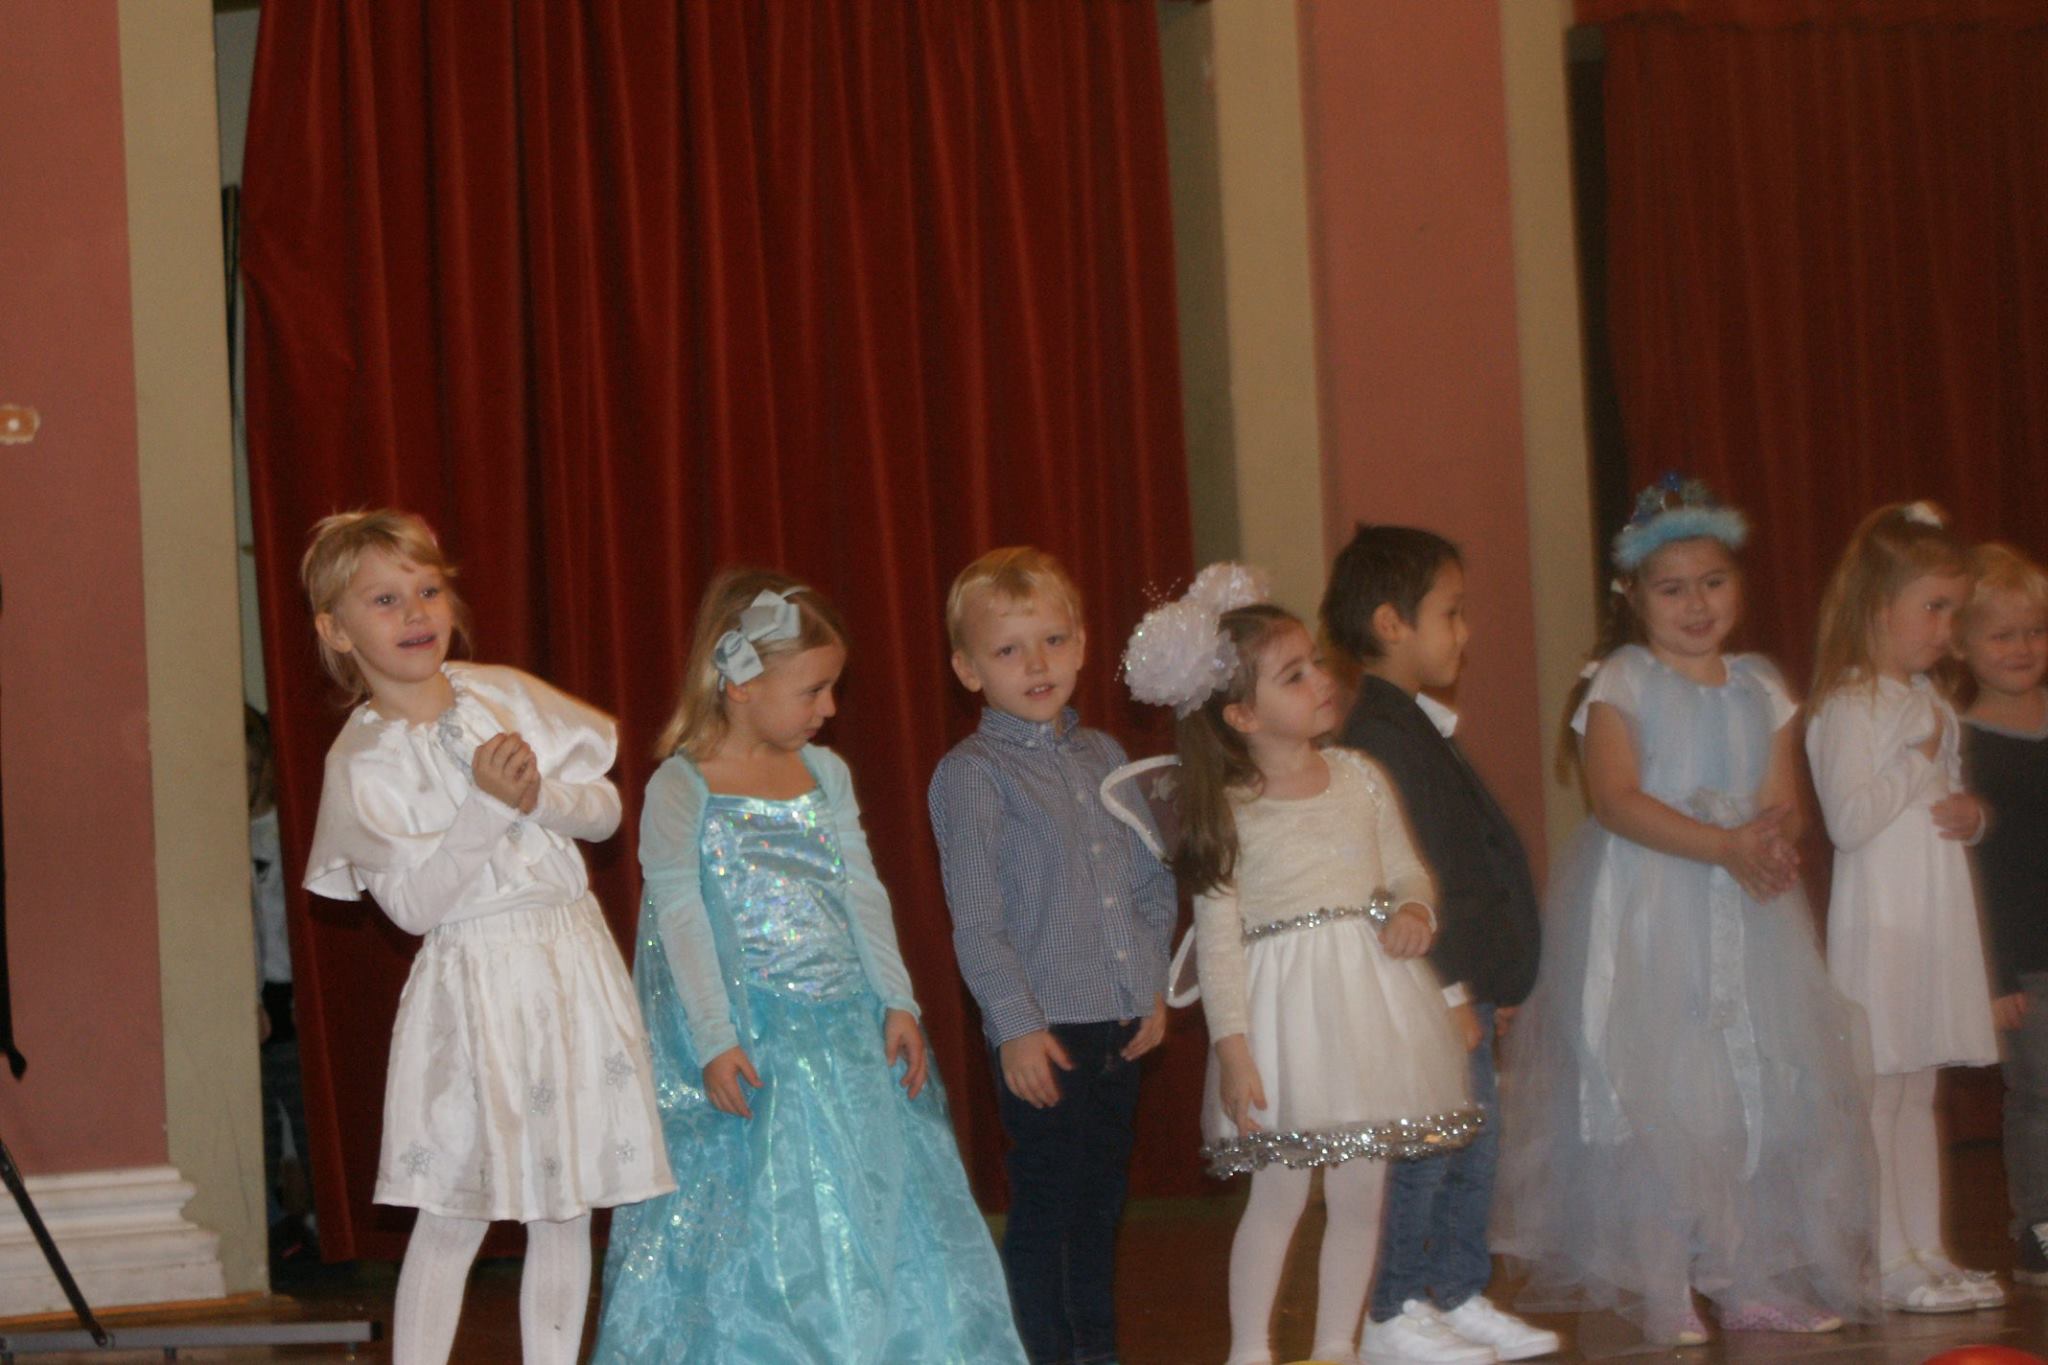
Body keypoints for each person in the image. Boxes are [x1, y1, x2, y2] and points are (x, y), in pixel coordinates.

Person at [594, 569, 1023, 1364]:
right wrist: (715, 1036)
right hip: (756, 1044)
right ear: (740, 683)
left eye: (833, 689)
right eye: (814, 690)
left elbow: (861, 889)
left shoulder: (826, 773)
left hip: (846, 1034)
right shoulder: (682, 785)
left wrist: (897, 999)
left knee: (867, 1205)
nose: (828, 708)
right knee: (775, 1218)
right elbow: (679, 918)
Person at [1497, 476, 1877, 1346]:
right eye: (1672, 588)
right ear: (1634, 596)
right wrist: (1723, 844)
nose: (1697, 604)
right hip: (1654, 909)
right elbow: (1617, 799)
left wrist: (1772, 841)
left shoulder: (1762, 683)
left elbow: (1784, 798)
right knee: (1664, 1093)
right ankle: (1665, 1284)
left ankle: (1744, 1278)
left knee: (1747, 1094)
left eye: (1713, 582)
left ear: (1738, 584)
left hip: (1746, 912)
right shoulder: (1623, 678)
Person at [300, 509, 671, 1365]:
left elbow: (606, 807)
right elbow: (413, 906)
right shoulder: (363, 760)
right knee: (454, 1206)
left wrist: (539, 795)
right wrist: (485, 806)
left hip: (569, 962)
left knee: (566, 1202)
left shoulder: (502, 693)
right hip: (477, 984)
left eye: (429, 590)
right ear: (336, 630)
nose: (415, 612)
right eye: (385, 599)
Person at [1125, 563, 1478, 1365]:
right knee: (1279, 1192)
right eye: (1294, 674)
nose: (1321, 679)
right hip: (1284, 1019)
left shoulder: (1362, 778)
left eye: (1315, 662)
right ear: (1242, 714)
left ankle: (1335, 1345)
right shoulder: (1230, 810)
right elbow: (1218, 941)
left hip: (1370, 1007)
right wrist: (1233, 1048)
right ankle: (1250, 1349)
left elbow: (1409, 872)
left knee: (1360, 1193)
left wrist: (1416, 912)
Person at [928, 546, 1175, 1365]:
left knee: (1100, 1207)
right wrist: (1017, 1026)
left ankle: (1096, 1352)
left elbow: (1152, 880)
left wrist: (1152, 986)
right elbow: (978, 921)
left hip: (1119, 1022)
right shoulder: (972, 775)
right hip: (1045, 1029)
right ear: (969, 669)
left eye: (1053, 640)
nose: (1037, 663)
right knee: (1045, 1211)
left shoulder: (1106, 756)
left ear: (1082, 644)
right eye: (1008, 649)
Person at [1321, 526, 1557, 1363]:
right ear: (1392, 622)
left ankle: (1454, 1289)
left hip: (1461, 988)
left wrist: (1488, 980)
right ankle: (1395, 1307)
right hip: (1429, 988)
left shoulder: (1412, 726)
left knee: (1472, 1148)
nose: (1465, 630)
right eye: (1450, 613)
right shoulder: (1380, 737)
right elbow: (1402, 877)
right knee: (1427, 1152)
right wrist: (1451, 989)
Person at [1806, 500, 2004, 1314]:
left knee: (1921, 1091)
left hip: (1933, 916)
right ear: (1879, 605)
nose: (1948, 629)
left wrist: (1971, 813)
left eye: (1955, 611)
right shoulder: (1848, 704)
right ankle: (1886, 1260)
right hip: (1881, 921)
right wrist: (1915, 764)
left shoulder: (1931, 701)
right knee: (1880, 1092)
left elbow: (1944, 798)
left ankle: (1929, 1250)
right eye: (1936, 608)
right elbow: (1849, 820)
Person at [1957, 543, 2048, 1288]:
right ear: (1961, 643)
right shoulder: (1963, 743)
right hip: (2025, 959)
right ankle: (2040, 1229)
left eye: (2036, 631)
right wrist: (1992, 975)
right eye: (2003, 634)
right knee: (2040, 1096)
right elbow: (1973, 875)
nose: (2023, 648)